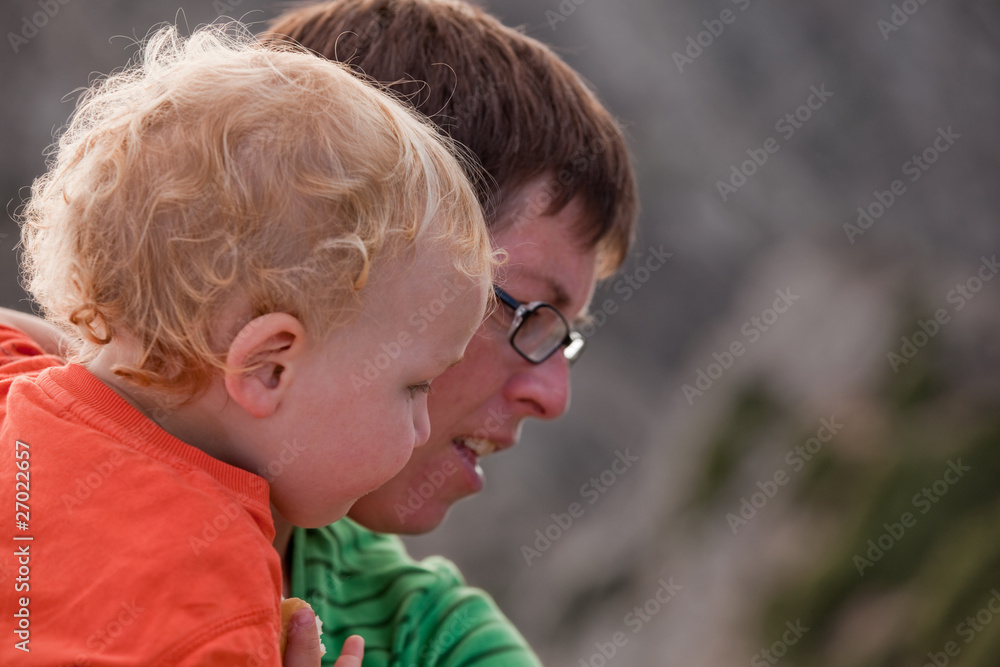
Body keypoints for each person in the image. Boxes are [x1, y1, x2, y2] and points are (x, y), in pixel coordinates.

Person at [0, 22, 495, 666]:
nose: (423, 423)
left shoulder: (13, 384)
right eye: (414, 387)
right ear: (268, 367)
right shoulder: (216, 599)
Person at [264, 1, 639, 664]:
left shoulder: (443, 644)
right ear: (331, 257)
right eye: (527, 312)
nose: (554, 394)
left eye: (564, 336)